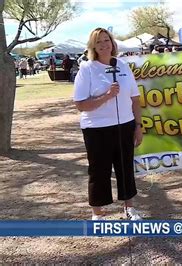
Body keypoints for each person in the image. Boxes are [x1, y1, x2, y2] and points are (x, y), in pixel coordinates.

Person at [73, 27, 143, 221]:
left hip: (125, 125)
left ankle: (129, 208)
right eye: (99, 42)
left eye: (107, 40)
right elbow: (80, 104)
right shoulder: (87, 69)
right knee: (99, 170)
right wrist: (107, 96)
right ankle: (97, 212)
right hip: (96, 129)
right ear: (93, 46)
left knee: (125, 167)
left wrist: (138, 126)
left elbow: (135, 99)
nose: (104, 45)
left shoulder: (123, 66)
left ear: (112, 43)